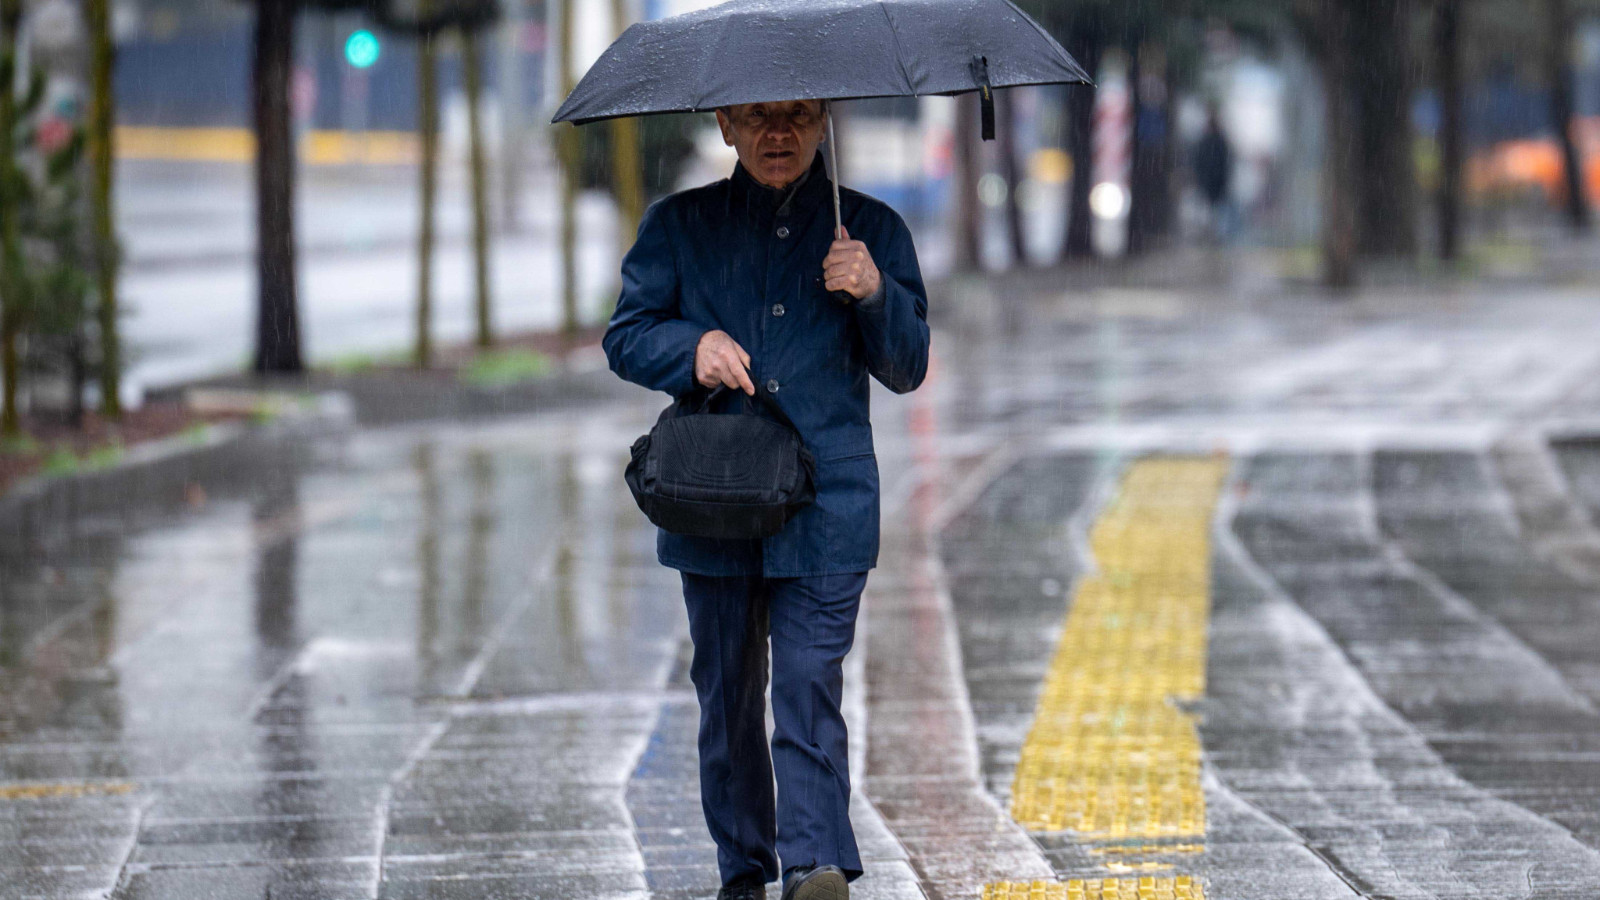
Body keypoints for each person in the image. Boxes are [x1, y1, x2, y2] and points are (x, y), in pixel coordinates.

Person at [603, 98, 930, 900]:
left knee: (808, 683)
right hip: (712, 501)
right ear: (724, 125)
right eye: (757, 118)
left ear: (825, 123)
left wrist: (874, 291)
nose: (777, 134)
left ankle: (814, 865)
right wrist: (693, 348)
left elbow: (908, 365)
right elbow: (626, 334)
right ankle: (743, 874)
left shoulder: (872, 231)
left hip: (828, 505)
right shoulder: (680, 225)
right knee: (727, 697)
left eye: (797, 116)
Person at [1193, 103, 1235, 243]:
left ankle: (1212, 235)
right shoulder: (1214, 140)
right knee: (1211, 210)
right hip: (1212, 181)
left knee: (1213, 210)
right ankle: (1211, 235)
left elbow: (1225, 161)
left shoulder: (1214, 140)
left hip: (1214, 181)